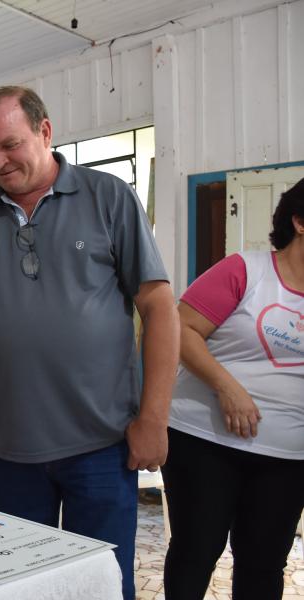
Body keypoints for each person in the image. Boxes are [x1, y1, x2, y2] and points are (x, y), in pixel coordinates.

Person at [0, 85, 179, 600]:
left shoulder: (107, 196)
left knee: (101, 586)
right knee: (26, 587)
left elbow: (159, 306)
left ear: (45, 131)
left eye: (10, 145)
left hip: (103, 445)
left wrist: (154, 418)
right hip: (12, 450)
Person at [162, 178, 304, 600]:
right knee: (195, 552)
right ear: (299, 222)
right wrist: (227, 386)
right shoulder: (247, 270)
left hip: (287, 455)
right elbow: (180, 329)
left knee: (264, 565)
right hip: (203, 439)